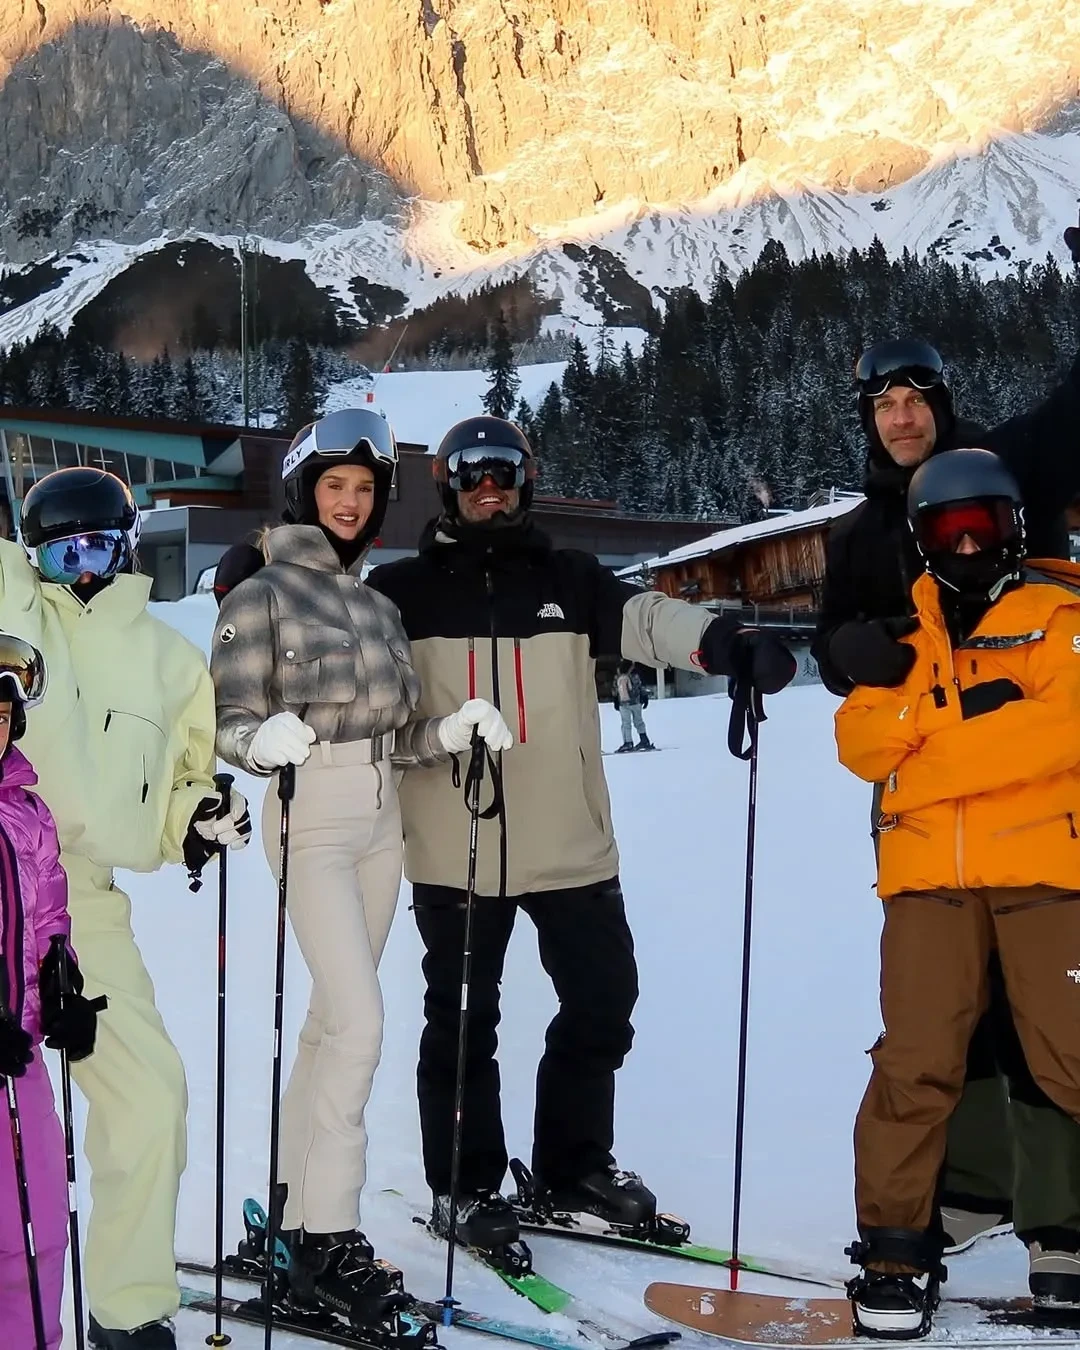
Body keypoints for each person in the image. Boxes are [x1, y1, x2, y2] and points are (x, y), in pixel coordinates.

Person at [363, 414, 797, 1257]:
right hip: (456, 848)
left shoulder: (572, 578)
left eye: (505, 473)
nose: (490, 488)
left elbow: (650, 621)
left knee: (602, 1005)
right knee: (462, 1024)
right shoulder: (399, 592)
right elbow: (353, 680)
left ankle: (572, 1168)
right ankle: (464, 1185)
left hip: (570, 842)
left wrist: (725, 641)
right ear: (447, 486)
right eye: (472, 474)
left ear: (526, 482)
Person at [210, 409, 512, 1323]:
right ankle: (328, 1236)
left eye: (365, 489)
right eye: (335, 486)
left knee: (330, 1026)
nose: (350, 502)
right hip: (310, 816)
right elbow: (226, 719)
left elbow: (397, 733)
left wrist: (448, 731)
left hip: (382, 820)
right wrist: (258, 742)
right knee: (361, 1023)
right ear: (305, 492)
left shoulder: (379, 606)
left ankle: (292, 1214)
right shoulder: (259, 595)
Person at [812, 325, 1080, 1252]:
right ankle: (970, 1185)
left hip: (1033, 798)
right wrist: (846, 652)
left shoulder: (1007, 468)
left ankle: (1055, 1210)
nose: (902, 418)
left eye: (915, 400)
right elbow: (836, 645)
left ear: (942, 403)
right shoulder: (857, 536)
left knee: (1040, 1012)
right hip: (921, 811)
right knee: (941, 1009)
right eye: (884, 406)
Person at [0, 467, 252, 1350]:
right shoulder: (9, 596)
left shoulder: (169, 662)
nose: (80, 569)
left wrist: (199, 817)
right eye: (60, 553)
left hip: (79, 902)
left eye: (97, 548)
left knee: (149, 1096)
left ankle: (128, 1309)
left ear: (126, 549)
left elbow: (181, 782)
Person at [0, 633, 104, 1350]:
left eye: (2, 716)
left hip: (20, 1060)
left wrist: (60, 989)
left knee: (37, 1228)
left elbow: (48, 920)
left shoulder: (28, 815)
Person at [612, 660, 651, 752]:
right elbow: (641, 687)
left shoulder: (618, 676)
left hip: (623, 703)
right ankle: (644, 739)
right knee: (639, 721)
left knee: (626, 723)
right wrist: (645, 697)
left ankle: (628, 742)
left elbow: (615, 689)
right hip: (636, 702)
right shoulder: (635, 675)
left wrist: (615, 700)